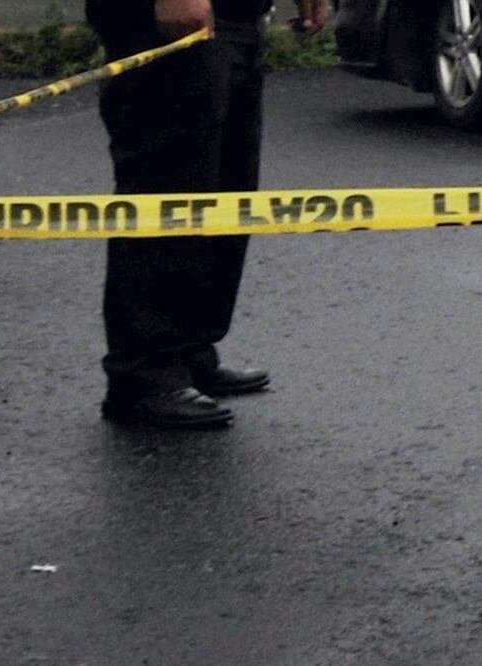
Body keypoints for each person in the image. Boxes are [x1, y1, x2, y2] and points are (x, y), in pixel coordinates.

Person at [85, 0, 329, 428]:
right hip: (167, 18)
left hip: (234, 17)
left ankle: (189, 353)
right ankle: (145, 373)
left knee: (222, 190)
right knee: (168, 187)